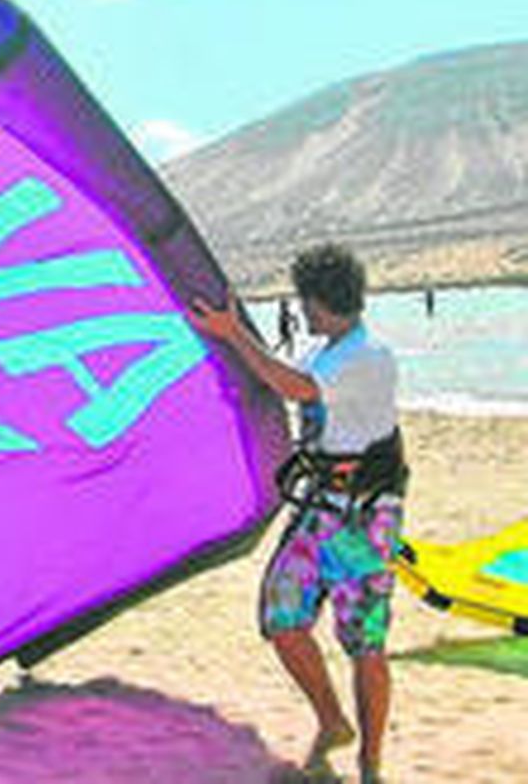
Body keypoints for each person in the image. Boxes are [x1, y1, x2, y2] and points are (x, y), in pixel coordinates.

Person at [191, 244, 406, 784]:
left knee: (365, 642)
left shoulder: (368, 355)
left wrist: (233, 333)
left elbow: (290, 387)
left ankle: (370, 765)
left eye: (305, 300)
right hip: (321, 507)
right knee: (282, 617)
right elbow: (287, 377)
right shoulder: (327, 350)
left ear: (320, 299)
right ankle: (333, 722)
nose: (302, 310)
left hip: (364, 516)